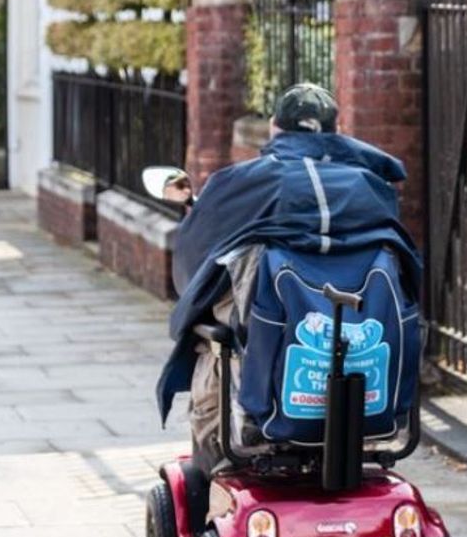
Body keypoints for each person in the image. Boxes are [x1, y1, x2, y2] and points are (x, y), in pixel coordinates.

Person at [156, 83, 421, 475]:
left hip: (273, 342)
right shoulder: (372, 186)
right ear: (335, 129)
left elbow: (192, 262)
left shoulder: (241, 181)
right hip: (362, 346)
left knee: (213, 341)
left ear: (275, 128)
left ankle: (214, 474)